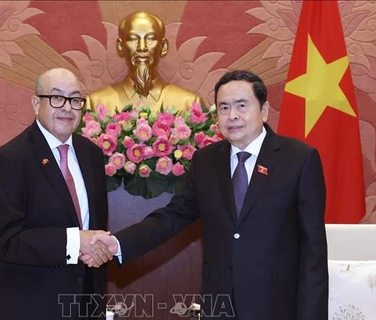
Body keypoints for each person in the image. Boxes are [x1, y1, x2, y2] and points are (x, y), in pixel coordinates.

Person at [87, 70, 329, 320]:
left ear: (264, 110)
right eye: (223, 108)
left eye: (242, 106)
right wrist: (118, 243)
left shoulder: (298, 159)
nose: (232, 115)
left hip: (277, 304)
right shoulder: (206, 161)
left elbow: (314, 252)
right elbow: (172, 216)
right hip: (219, 305)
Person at [0, 68, 113, 320]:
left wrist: (97, 250)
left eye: (75, 99)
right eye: (57, 98)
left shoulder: (90, 155)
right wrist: (75, 241)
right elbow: (6, 239)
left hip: (83, 304)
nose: (67, 108)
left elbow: (94, 226)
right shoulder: (8, 159)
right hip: (26, 306)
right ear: (36, 104)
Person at [85, 11, 204, 113]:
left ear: (163, 47)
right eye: (133, 39)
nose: (142, 48)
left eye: (151, 39)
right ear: (120, 47)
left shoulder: (190, 104)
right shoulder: (95, 103)